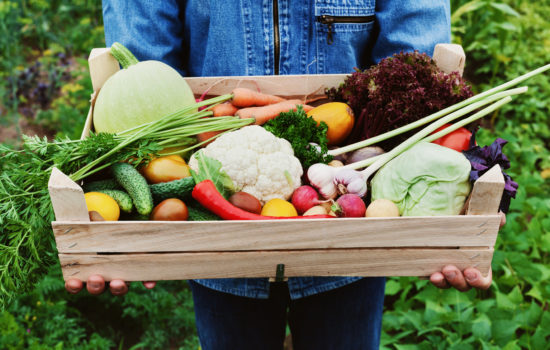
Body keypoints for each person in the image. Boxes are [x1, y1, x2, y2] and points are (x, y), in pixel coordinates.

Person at [67, 1, 505, 349]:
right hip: (215, 245)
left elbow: (415, 68)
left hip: (353, 238)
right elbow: (143, 73)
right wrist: (125, 238)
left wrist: (449, 222)